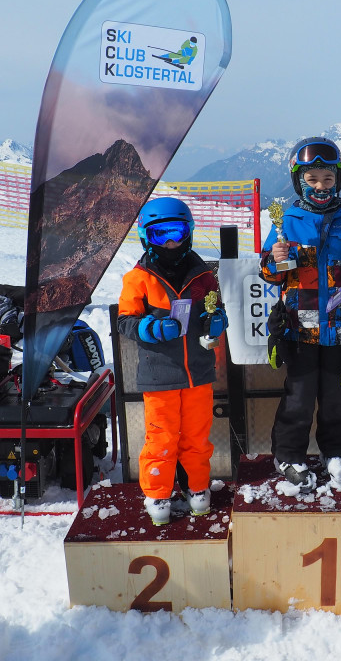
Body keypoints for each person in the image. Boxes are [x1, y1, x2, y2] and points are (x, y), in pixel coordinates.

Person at [260, 137, 341, 490]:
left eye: (328, 179)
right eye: (312, 179)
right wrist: (275, 259)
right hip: (299, 329)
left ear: (337, 180)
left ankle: (336, 453)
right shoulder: (287, 222)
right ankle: (288, 456)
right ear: (299, 181)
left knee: (336, 399)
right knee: (298, 398)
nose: (320, 186)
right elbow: (269, 274)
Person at [117, 197, 229, 525]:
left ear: (188, 233)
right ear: (146, 237)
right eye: (160, 234)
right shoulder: (138, 278)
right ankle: (158, 494)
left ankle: (198, 489)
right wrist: (150, 328)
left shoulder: (203, 275)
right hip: (160, 376)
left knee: (197, 437)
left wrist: (217, 321)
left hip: (198, 373)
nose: (169, 242)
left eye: (176, 233)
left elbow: (216, 308)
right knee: (162, 438)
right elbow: (125, 321)